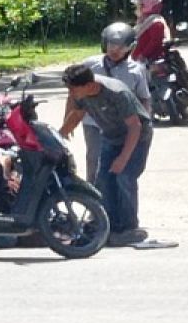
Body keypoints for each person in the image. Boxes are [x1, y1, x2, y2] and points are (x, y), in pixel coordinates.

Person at [60, 63, 151, 247]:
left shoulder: (116, 93)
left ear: (88, 85)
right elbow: (76, 115)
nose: (71, 93)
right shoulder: (81, 95)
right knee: (102, 180)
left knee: (124, 177)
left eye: (73, 89)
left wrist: (123, 158)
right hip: (111, 136)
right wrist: (60, 135)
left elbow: (135, 126)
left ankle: (129, 228)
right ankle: (108, 224)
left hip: (136, 137)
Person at [80, 23, 152, 182]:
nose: (115, 50)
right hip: (93, 122)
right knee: (94, 159)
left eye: (121, 46)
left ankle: (112, 198)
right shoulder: (89, 65)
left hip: (121, 126)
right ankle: (92, 198)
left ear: (130, 48)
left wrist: (144, 122)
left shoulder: (136, 70)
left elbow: (143, 98)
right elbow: (74, 94)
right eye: (111, 44)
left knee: (119, 164)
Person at [130, 0, 170, 65]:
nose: (137, 9)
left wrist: (142, 55)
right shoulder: (144, 20)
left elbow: (155, 42)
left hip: (149, 61)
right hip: (137, 60)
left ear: (147, 6)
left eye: (139, 6)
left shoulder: (156, 22)